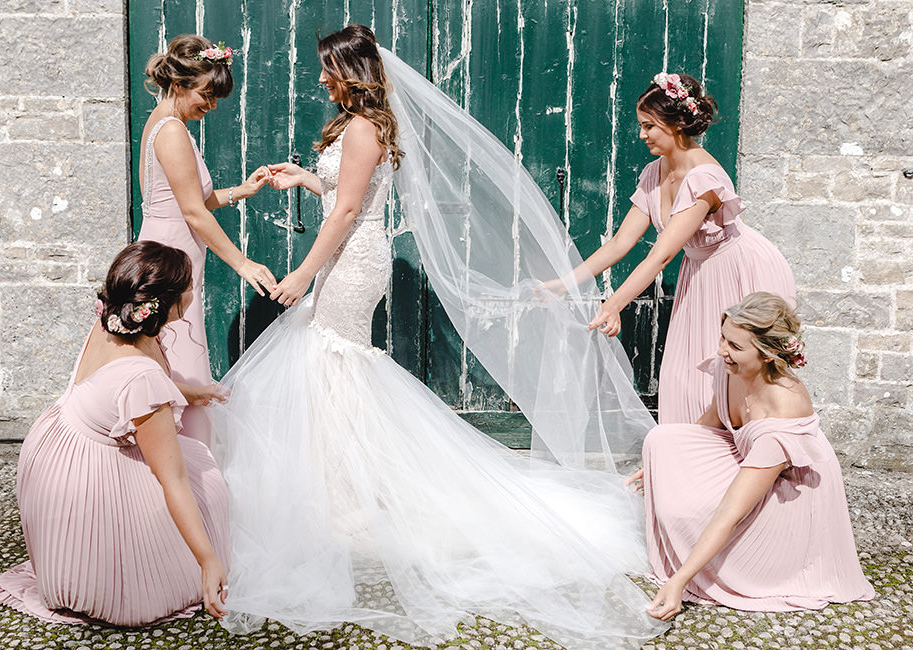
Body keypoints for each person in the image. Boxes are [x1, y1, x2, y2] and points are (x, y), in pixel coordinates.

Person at [210, 24, 667, 649]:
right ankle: (341, 482)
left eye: (327, 68)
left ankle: (348, 491)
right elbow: (345, 194)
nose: (319, 78)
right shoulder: (354, 123)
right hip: (344, 255)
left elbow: (349, 213)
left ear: (351, 70)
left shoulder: (367, 127)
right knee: (329, 364)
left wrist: (302, 273)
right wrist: (304, 178)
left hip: (350, 260)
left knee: (334, 360)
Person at [0, 241, 232, 626]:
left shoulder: (114, 320)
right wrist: (207, 561)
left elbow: (115, 386)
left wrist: (192, 393)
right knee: (206, 488)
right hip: (83, 478)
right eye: (188, 285)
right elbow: (173, 480)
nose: (193, 290)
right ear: (165, 303)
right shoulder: (143, 376)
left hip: (54, 448)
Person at [541, 73, 795, 425]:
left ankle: (744, 462)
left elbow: (660, 255)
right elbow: (620, 242)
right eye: (641, 126)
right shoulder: (654, 172)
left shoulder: (704, 178)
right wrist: (564, 282)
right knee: (682, 374)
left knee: (732, 372)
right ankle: (690, 461)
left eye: (649, 126)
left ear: (677, 124)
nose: (642, 134)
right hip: (700, 272)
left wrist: (614, 305)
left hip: (740, 269)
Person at [627, 292, 874, 621]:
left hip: (790, 497)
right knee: (662, 439)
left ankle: (721, 564)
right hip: (746, 459)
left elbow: (731, 512)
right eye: (723, 338)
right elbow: (710, 423)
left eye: (734, 347)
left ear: (770, 353)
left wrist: (679, 582)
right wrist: (662, 464)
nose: (721, 351)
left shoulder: (782, 412)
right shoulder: (732, 367)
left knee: (700, 514)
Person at [138, 34, 277, 446]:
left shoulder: (166, 121)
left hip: (169, 252)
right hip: (170, 262)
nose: (211, 106)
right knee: (182, 364)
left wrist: (240, 192)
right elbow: (193, 212)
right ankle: (191, 465)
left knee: (167, 360)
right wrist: (243, 263)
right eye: (206, 95)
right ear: (180, 84)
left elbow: (190, 199)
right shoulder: (172, 131)